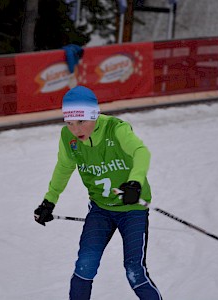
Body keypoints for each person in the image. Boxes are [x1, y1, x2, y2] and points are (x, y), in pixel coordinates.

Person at [34, 86, 163, 300]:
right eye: (69, 123)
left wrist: (135, 183)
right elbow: (64, 167)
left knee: (134, 271)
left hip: (132, 209)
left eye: (81, 121)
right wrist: (49, 201)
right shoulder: (69, 138)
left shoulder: (116, 129)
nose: (75, 129)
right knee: (85, 265)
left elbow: (141, 152)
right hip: (100, 210)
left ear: (94, 115)